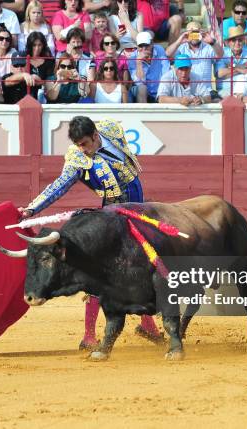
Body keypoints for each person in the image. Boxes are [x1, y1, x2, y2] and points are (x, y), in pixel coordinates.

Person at [17, 115, 163, 349]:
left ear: (96, 135)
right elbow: (58, 186)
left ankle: (148, 325)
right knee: (100, 274)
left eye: (84, 144)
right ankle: (89, 335)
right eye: (77, 145)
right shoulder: (77, 159)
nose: (81, 150)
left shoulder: (110, 129)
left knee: (139, 269)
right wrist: (32, 208)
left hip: (138, 207)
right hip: (113, 218)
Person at [165, 21, 223, 94]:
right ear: (187, 34)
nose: (194, 36)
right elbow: (168, 54)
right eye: (191, 33)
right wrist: (179, 41)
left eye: (196, 33)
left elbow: (220, 55)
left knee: (218, 101)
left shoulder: (208, 47)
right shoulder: (181, 48)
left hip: (206, 90)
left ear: (201, 33)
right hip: (185, 91)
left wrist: (212, 42)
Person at [128, 31, 170, 102]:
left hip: (160, 90)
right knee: (142, 88)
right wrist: (138, 62)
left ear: (152, 44)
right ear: (137, 47)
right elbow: (139, 83)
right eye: (141, 46)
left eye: (146, 45)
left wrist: (161, 92)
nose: (144, 48)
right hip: (144, 92)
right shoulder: (133, 57)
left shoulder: (159, 49)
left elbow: (166, 73)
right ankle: (143, 112)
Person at [216, 26, 247, 97]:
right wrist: (241, 69)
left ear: (243, 41)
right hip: (225, 90)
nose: (237, 43)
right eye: (233, 40)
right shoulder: (222, 52)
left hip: (245, 90)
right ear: (228, 42)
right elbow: (220, 74)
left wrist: (231, 66)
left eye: (240, 40)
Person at [23, 31, 56, 100]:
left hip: (43, 97)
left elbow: (50, 83)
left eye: (39, 45)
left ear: (43, 45)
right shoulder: (22, 59)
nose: (37, 48)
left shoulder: (49, 62)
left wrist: (41, 82)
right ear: (30, 45)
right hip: (24, 95)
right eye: (34, 45)